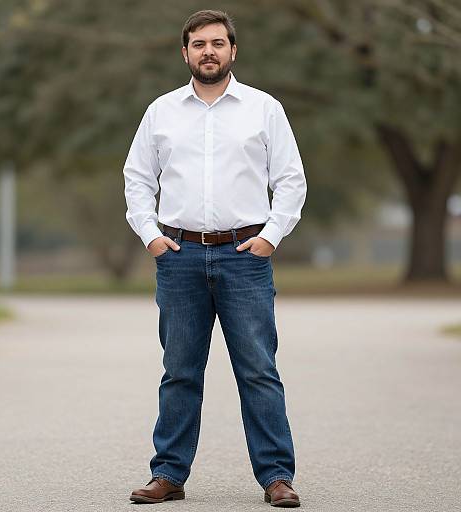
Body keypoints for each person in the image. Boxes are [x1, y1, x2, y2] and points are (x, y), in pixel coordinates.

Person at [123, 9, 306, 508]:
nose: (209, 51)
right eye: (199, 43)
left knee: (258, 370)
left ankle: (276, 476)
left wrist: (271, 236)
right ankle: (169, 474)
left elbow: (291, 179)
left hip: (246, 257)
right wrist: (151, 237)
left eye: (218, 43)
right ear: (185, 53)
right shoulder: (161, 111)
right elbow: (137, 178)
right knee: (180, 370)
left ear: (233, 51)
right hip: (178, 256)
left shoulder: (263, 109)